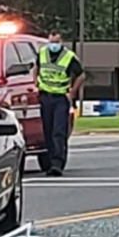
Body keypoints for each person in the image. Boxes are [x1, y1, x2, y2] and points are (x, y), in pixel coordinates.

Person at [33, 30, 85, 177]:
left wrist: (72, 92)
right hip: (45, 97)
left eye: (56, 42)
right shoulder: (42, 53)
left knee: (58, 131)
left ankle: (57, 164)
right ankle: (50, 162)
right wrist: (36, 82)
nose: (53, 45)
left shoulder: (69, 57)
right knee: (48, 131)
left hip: (61, 98)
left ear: (61, 42)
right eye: (51, 42)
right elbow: (36, 67)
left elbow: (81, 75)